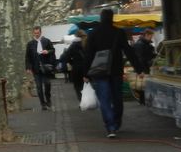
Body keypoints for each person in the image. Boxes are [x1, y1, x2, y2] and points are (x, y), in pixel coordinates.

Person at [83, 8, 141, 138]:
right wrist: (139, 68)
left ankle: (110, 127)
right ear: (112, 18)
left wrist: (85, 73)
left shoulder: (93, 33)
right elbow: (128, 50)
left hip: (99, 71)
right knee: (117, 98)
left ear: (101, 18)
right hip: (116, 70)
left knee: (104, 99)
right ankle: (116, 122)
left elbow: (88, 54)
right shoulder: (118, 32)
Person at [24, 25, 57, 110]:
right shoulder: (30, 44)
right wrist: (28, 68)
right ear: (33, 33)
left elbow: (53, 50)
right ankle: (42, 103)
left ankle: (48, 99)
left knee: (47, 84)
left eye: (38, 33)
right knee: (39, 87)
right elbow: (27, 56)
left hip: (46, 67)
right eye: (35, 33)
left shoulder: (46, 41)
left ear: (40, 32)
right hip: (36, 68)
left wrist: (47, 51)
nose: (37, 34)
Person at [59, 29, 88, 102]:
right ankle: (88, 99)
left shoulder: (73, 45)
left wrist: (72, 63)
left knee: (78, 86)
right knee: (87, 85)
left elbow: (66, 57)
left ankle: (81, 101)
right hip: (87, 68)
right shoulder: (88, 43)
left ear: (76, 36)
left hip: (77, 68)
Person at [131, 29, 156, 105]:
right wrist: (141, 70)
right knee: (142, 85)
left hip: (145, 66)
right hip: (143, 67)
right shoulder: (140, 44)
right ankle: (143, 100)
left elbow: (148, 54)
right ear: (147, 35)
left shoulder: (145, 43)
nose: (151, 38)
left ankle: (144, 100)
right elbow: (140, 58)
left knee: (143, 85)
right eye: (151, 36)